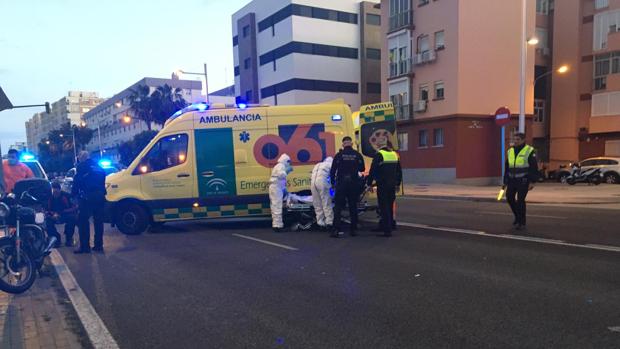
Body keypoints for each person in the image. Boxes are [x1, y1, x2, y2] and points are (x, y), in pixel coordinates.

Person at [72, 151, 107, 253]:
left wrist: (73, 195)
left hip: (87, 198)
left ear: (81, 158)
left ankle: (85, 247)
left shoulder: (82, 166)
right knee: (98, 222)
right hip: (100, 197)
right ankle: (99, 245)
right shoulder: (98, 166)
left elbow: (77, 181)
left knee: (83, 222)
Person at [330, 136, 365, 238]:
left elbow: (333, 170)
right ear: (352, 144)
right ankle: (353, 230)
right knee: (353, 206)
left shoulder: (339, 155)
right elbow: (362, 168)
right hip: (353, 184)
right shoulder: (357, 155)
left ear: (343, 144)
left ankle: (336, 229)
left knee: (338, 207)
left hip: (341, 184)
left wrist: (333, 183)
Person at [503, 133, 538, 230]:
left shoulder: (529, 150)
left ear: (523, 140)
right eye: (514, 139)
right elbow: (507, 167)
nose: (515, 141)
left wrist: (532, 181)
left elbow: (533, 167)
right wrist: (505, 180)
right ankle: (517, 216)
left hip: (523, 179)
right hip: (512, 179)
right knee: (509, 198)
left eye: (517, 139)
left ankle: (522, 222)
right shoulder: (510, 151)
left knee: (520, 201)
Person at [367, 142, 402, 237]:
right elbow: (399, 171)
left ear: (379, 146)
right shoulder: (394, 155)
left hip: (383, 185)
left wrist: (369, 183)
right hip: (392, 185)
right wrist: (398, 184)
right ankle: (389, 225)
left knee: (383, 207)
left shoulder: (379, 155)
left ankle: (386, 230)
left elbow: (373, 170)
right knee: (389, 206)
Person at [46, 181, 77, 247]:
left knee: (72, 218)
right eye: (54, 192)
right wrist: (52, 214)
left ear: (60, 190)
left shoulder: (67, 196)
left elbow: (74, 207)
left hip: (65, 214)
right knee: (47, 221)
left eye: (57, 192)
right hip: (53, 214)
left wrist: (63, 212)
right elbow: (47, 209)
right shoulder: (49, 197)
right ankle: (56, 238)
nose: (55, 194)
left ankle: (69, 238)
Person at [269, 153, 292, 232]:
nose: (289, 163)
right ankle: (277, 226)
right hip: (276, 188)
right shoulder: (281, 166)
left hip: (276, 187)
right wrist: (287, 171)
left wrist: (284, 189)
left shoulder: (278, 166)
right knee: (277, 206)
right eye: (288, 162)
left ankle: (276, 224)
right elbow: (281, 175)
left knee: (275, 206)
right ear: (285, 161)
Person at [310, 157, 334, 231]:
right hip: (322, 183)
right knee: (326, 203)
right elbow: (334, 176)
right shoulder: (330, 165)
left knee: (317, 204)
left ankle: (320, 222)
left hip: (313, 184)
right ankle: (329, 222)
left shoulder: (317, 165)